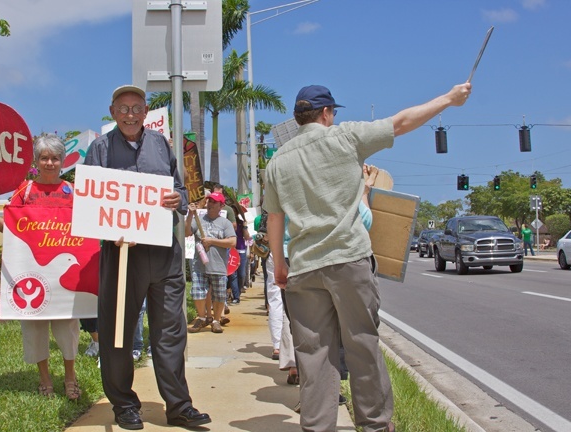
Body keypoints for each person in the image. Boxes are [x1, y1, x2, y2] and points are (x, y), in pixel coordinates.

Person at [264, 83, 471, 432]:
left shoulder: (277, 161)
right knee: (361, 343)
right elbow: (401, 122)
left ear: (298, 118)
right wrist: (448, 99)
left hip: (302, 268)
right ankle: (374, 424)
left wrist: (280, 266)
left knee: (313, 356)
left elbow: (274, 219)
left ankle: (317, 427)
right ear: (327, 113)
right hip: (347, 260)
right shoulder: (345, 137)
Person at [84, 84, 210, 430]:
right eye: (122, 109)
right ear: (112, 112)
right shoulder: (100, 149)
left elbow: (181, 191)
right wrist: (112, 231)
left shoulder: (161, 145)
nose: (129, 115)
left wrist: (177, 201)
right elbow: (90, 202)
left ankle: (179, 406)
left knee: (170, 332)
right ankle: (123, 404)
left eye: (136, 108)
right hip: (122, 253)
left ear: (145, 112)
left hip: (164, 253)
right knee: (118, 332)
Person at [0, 134, 82, 401]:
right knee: (34, 327)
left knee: (67, 327)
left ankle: (70, 377)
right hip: (33, 276)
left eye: (55, 158)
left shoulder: (73, 193)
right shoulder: (24, 192)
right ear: (36, 161)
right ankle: (44, 378)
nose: (49, 162)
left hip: (63, 280)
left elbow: (86, 233)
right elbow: (10, 230)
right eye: (44, 158)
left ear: (62, 161)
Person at [185, 192, 236, 334]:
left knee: (219, 296)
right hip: (199, 266)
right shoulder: (199, 219)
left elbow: (232, 242)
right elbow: (186, 232)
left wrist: (212, 241)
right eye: (209, 201)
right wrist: (190, 214)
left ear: (221, 205)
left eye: (214, 202)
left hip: (218, 266)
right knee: (197, 292)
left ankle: (216, 320)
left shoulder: (225, 223)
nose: (210, 204)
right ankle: (201, 318)